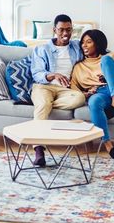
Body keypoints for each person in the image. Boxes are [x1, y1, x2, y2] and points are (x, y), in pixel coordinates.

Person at [70, 29, 114, 161]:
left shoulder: (111, 57)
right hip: (100, 94)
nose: (84, 45)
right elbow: (74, 90)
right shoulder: (78, 67)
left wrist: (108, 80)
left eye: (89, 42)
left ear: (98, 44)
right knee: (93, 102)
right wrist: (88, 93)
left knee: (106, 60)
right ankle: (109, 146)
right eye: (82, 43)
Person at [30, 14, 85, 166]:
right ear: (54, 30)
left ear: (72, 30)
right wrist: (53, 74)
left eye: (68, 30)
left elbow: (101, 49)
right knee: (42, 104)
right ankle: (39, 149)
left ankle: (46, 105)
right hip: (44, 86)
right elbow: (37, 73)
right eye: (61, 30)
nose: (65, 33)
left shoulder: (76, 46)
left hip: (66, 90)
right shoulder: (42, 49)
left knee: (79, 98)